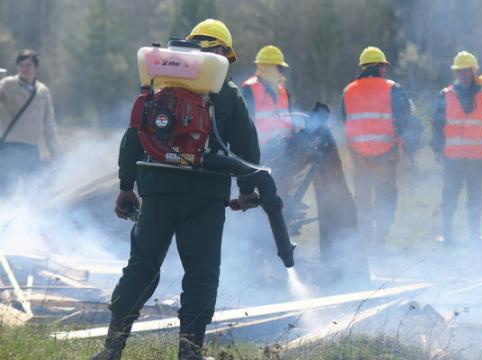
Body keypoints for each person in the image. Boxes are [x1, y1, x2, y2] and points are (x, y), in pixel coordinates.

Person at [91, 19, 261, 360]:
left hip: (157, 190)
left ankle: (111, 350)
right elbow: (247, 148)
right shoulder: (227, 93)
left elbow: (133, 137)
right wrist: (245, 191)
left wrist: (126, 187)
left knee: (141, 266)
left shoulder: (158, 82)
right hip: (206, 194)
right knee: (200, 273)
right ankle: (190, 353)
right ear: (223, 54)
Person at [340, 46, 413, 252]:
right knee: (386, 197)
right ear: (381, 67)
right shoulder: (393, 88)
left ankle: (365, 241)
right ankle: (380, 242)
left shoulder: (348, 90)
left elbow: (344, 120)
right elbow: (405, 119)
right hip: (386, 153)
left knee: (363, 199)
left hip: (359, 155)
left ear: (363, 67)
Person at [431, 51, 482, 246]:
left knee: (476, 196)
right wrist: (436, 149)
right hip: (452, 156)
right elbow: (437, 123)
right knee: (450, 195)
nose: (463, 74)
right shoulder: (446, 95)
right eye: (460, 71)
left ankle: (475, 235)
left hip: (477, 156)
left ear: (473, 72)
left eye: (466, 71)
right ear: (456, 73)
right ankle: (447, 235)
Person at [0, 49, 59, 191]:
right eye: (21, 65)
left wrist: (54, 151)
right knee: (6, 190)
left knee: (32, 190)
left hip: (31, 147)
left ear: (35, 67)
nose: (24, 69)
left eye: (28, 65)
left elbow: (49, 124)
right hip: (9, 146)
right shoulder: (7, 84)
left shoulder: (43, 91)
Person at [241, 45, 292, 145]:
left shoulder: (284, 91)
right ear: (268, 67)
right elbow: (243, 127)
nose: (281, 71)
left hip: (285, 152)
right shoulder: (248, 89)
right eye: (279, 67)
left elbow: (291, 124)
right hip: (260, 152)